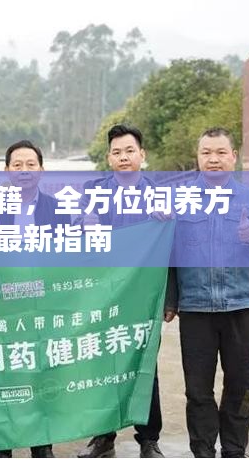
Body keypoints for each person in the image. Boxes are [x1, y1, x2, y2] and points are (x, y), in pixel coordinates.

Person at [169, 127, 249, 458]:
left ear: (233, 156)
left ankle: (234, 451)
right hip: (196, 310)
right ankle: (203, 452)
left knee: (242, 388)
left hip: (241, 308)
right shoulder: (181, 200)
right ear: (198, 157)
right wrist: (171, 300)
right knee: (198, 391)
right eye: (206, 153)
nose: (213, 159)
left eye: (220, 152)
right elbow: (168, 254)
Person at [77, 124, 172, 458]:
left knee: (145, 365)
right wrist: (83, 224)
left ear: (142, 155)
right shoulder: (92, 192)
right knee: (103, 364)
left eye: (129, 151)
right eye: (116, 152)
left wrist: (170, 299)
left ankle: (149, 438)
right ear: (109, 158)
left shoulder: (160, 196)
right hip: (104, 296)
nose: (123, 157)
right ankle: (104, 438)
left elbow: (174, 250)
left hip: (145, 298)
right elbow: (73, 235)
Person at [0, 140, 71, 459]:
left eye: (30, 164)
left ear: (41, 169)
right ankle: (2, 446)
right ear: (7, 170)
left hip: (43, 305)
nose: (24, 170)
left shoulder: (56, 208)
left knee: (41, 372)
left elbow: (68, 256)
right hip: (2, 306)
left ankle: (42, 445)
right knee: (2, 372)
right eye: (17, 165)